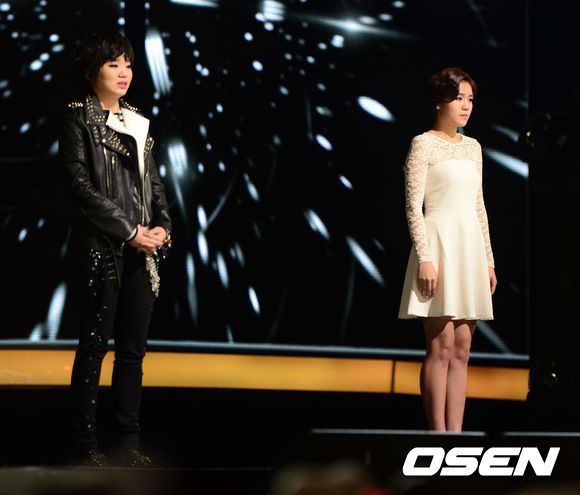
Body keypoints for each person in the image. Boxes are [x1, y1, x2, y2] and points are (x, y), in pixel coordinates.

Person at [59, 31, 172, 466]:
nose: (124, 73)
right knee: (93, 347)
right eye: (113, 64)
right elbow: (80, 187)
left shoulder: (138, 121)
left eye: (128, 64)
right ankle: (85, 445)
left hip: (142, 250)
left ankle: (128, 444)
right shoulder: (77, 118)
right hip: (102, 248)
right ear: (92, 71)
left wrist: (162, 227)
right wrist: (129, 230)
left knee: (132, 352)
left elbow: (153, 183)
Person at [398, 67, 497, 432]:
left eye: (470, 99)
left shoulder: (473, 147)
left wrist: (488, 260)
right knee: (440, 346)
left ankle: (456, 436)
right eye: (458, 98)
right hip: (438, 246)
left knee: (462, 348)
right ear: (439, 101)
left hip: (469, 248)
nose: (466, 106)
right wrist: (425, 258)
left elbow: (479, 206)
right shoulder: (423, 144)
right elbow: (413, 207)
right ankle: (437, 436)